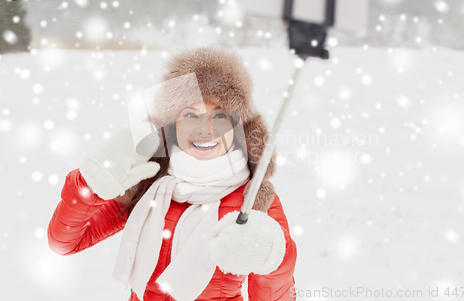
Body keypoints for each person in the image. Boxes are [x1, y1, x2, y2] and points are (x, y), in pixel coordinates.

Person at [47, 46, 297, 301]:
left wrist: (272, 259)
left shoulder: (255, 200)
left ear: (239, 126)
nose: (206, 130)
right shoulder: (148, 187)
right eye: (190, 115)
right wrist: (91, 184)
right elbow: (64, 243)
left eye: (220, 115)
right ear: (171, 126)